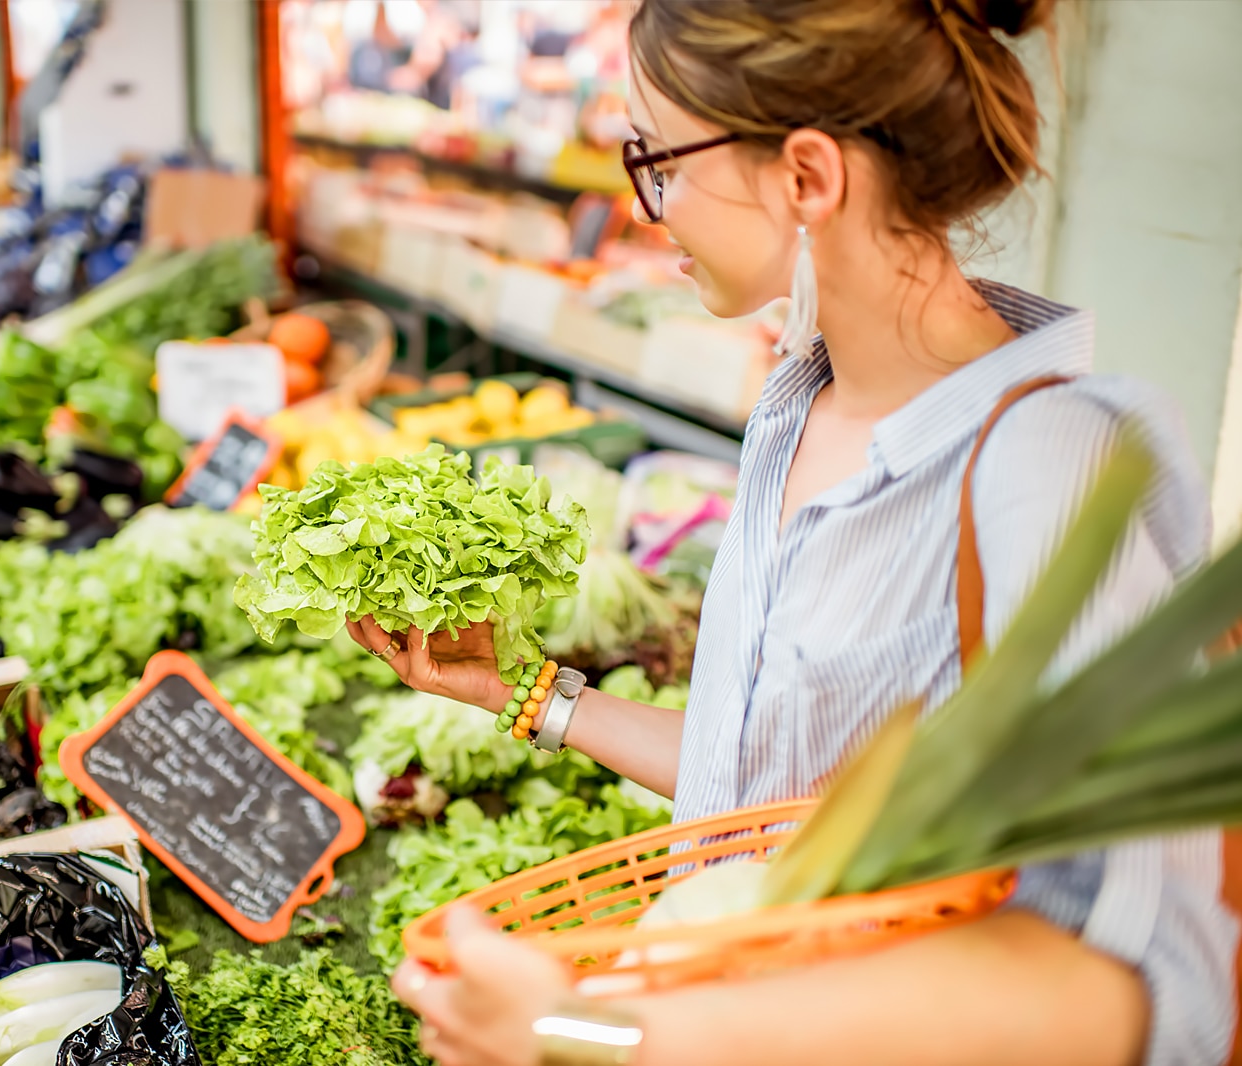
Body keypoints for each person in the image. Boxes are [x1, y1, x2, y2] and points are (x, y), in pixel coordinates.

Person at [344, 1, 1240, 1064]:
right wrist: (529, 693)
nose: (647, 206)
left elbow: (1145, 985)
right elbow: (760, 802)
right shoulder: (797, 404)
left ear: (807, 177)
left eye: (658, 160)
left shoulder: (1052, 464)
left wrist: (585, 1030)